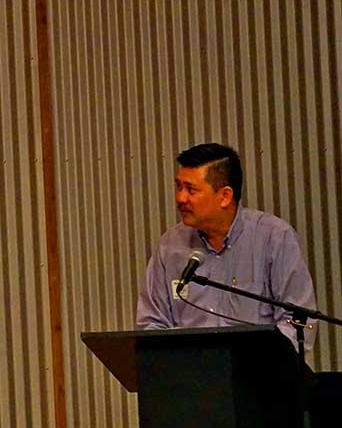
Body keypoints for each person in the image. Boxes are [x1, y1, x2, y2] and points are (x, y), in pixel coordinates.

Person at [135, 143, 317, 349]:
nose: (180, 198)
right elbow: (151, 324)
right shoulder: (170, 246)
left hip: (259, 376)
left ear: (225, 196)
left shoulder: (275, 238)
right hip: (192, 376)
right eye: (178, 187)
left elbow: (298, 321)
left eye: (191, 190)